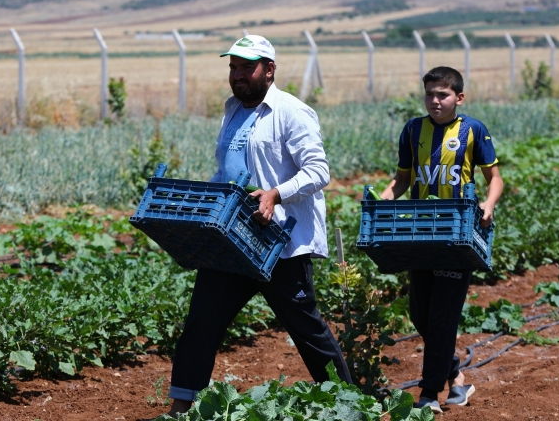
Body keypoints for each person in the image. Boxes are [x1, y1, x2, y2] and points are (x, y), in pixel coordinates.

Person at [162, 35, 352, 417]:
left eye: (246, 67)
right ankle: (181, 407)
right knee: (201, 322)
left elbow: (319, 171)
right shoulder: (232, 110)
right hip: (233, 240)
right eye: (233, 67)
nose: (237, 75)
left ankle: (351, 402)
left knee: (307, 330)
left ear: (270, 69)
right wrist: (204, 199)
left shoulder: (292, 112)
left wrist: (275, 194)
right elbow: (228, 171)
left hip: (279, 243)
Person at [380, 66, 504, 413]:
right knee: (420, 314)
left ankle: (428, 394)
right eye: (430, 94)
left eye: (443, 95)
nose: (435, 101)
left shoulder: (473, 130)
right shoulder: (412, 130)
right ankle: (457, 379)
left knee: (442, 318)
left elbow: (495, 178)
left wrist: (488, 204)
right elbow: (401, 180)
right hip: (420, 231)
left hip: (457, 234)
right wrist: (388, 195)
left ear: (458, 98)